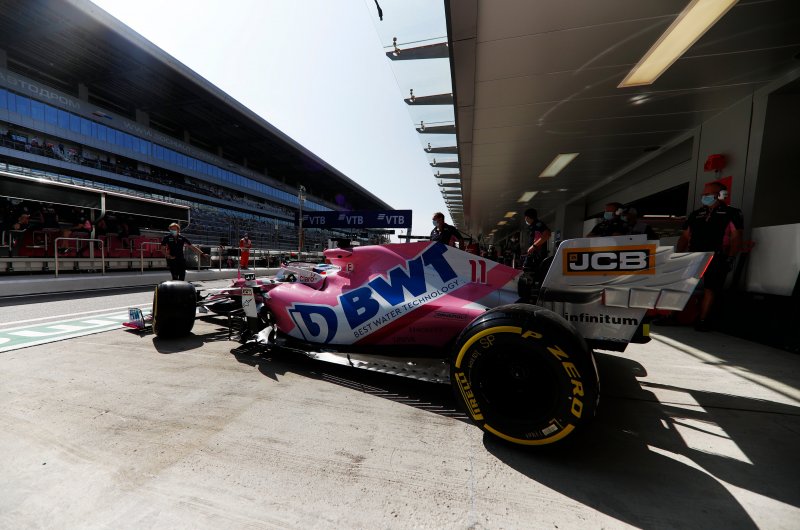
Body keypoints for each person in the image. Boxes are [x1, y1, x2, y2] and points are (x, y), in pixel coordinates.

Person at [677, 182, 743, 331]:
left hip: (717, 256)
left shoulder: (732, 213)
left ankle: (703, 320)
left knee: (711, 289)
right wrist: (679, 255)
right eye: (703, 194)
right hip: (693, 256)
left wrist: (731, 257)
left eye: (707, 194)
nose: (704, 196)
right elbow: (685, 236)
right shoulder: (696, 214)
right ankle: (673, 316)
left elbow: (736, 237)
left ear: (720, 195)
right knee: (682, 286)